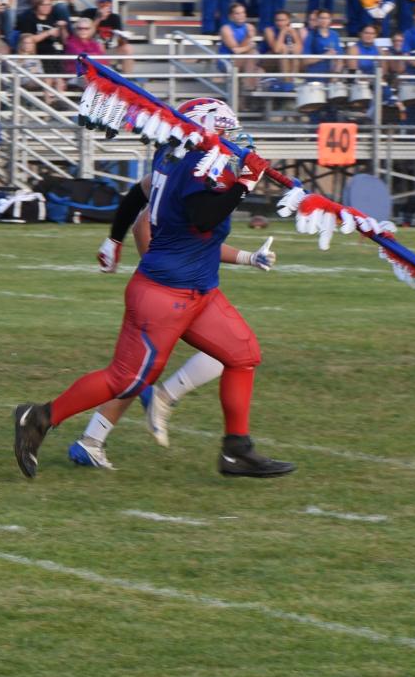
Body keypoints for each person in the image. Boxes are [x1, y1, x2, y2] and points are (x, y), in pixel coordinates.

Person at [14, 96, 292, 481]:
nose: (232, 139)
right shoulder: (194, 165)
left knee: (242, 354)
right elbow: (204, 216)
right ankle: (40, 417)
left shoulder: (175, 158)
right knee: (127, 378)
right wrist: (245, 182)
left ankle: (237, 451)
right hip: (166, 293)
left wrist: (114, 238)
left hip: (199, 289)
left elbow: (137, 194)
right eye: (225, 130)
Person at [72, 179, 278, 470]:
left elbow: (200, 242)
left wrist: (248, 257)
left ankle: (93, 440)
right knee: (139, 372)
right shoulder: (182, 178)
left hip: (179, 287)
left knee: (222, 355)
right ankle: (156, 402)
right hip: (170, 293)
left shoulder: (181, 175)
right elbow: (152, 228)